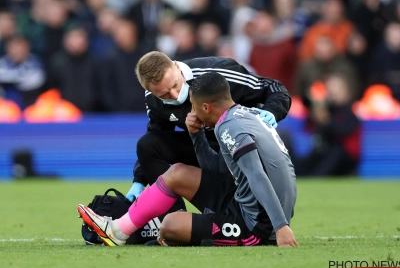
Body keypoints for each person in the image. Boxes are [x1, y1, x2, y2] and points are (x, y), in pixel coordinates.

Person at [78, 72, 298, 247]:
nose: (190, 111)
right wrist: (196, 135)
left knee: (170, 225)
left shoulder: (229, 128)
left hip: (259, 224)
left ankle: (138, 228)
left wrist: (280, 226)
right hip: (248, 201)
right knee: (179, 172)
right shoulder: (243, 115)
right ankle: (118, 230)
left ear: (205, 107)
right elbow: (220, 168)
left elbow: (257, 175)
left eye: (193, 106)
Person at [126, 51, 291, 202]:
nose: (175, 96)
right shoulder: (153, 99)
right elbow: (157, 133)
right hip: (204, 150)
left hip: (242, 146)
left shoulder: (219, 73)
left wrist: (271, 112)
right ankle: (172, 218)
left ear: (176, 66)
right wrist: (140, 179)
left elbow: (273, 87)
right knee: (148, 145)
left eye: (175, 85)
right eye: (164, 95)